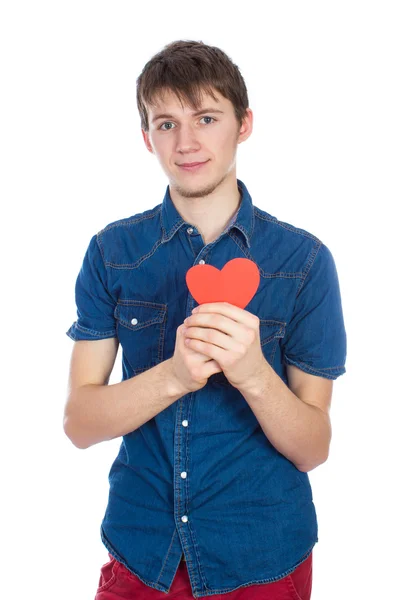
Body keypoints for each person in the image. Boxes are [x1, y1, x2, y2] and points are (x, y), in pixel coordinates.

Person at [64, 40, 347, 600]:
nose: (186, 142)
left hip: (264, 557)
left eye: (206, 118)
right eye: (165, 123)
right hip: (143, 553)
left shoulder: (305, 262)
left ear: (243, 124)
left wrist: (254, 374)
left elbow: (314, 446)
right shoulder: (112, 252)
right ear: (146, 138)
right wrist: (174, 376)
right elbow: (79, 422)